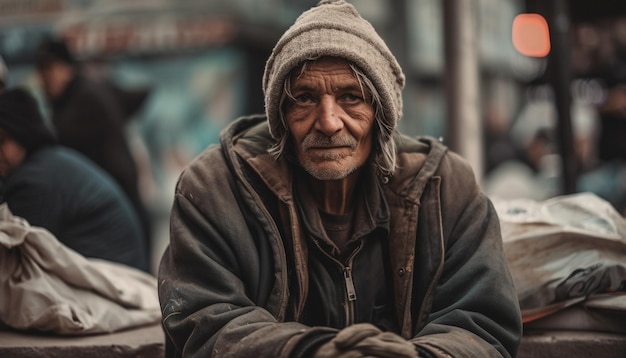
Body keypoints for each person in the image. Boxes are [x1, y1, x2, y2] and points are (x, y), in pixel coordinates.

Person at [158, 1, 523, 357]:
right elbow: (204, 321)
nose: (329, 122)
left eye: (351, 97)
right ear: (280, 116)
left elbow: (482, 322)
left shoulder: (444, 188)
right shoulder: (216, 188)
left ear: (381, 115)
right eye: (304, 98)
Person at [0, 87, 149, 272]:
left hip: (112, 285)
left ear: (22, 133)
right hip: (120, 275)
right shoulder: (49, 161)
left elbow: (14, 260)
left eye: (2, 140)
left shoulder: (33, 181)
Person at [34, 37, 152, 253]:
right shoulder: (96, 88)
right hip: (125, 205)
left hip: (117, 211)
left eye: (49, 69)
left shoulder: (83, 101)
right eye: (40, 71)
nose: (43, 79)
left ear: (68, 68)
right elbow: (137, 96)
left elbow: (52, 140)